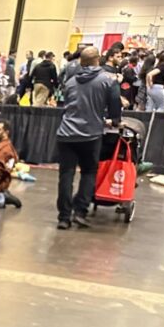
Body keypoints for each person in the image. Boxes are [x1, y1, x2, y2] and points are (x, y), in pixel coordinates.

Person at [55, 47, 121, 230]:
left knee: (66, 175)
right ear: (98, 59)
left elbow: (67, 104)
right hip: (90, 135)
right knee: (89, 172)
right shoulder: (108, 80)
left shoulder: (71, 82)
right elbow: (115, 104)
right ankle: (80, 211)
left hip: (66, 133)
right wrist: (114, 120)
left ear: (81, 61)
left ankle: (63, 217)